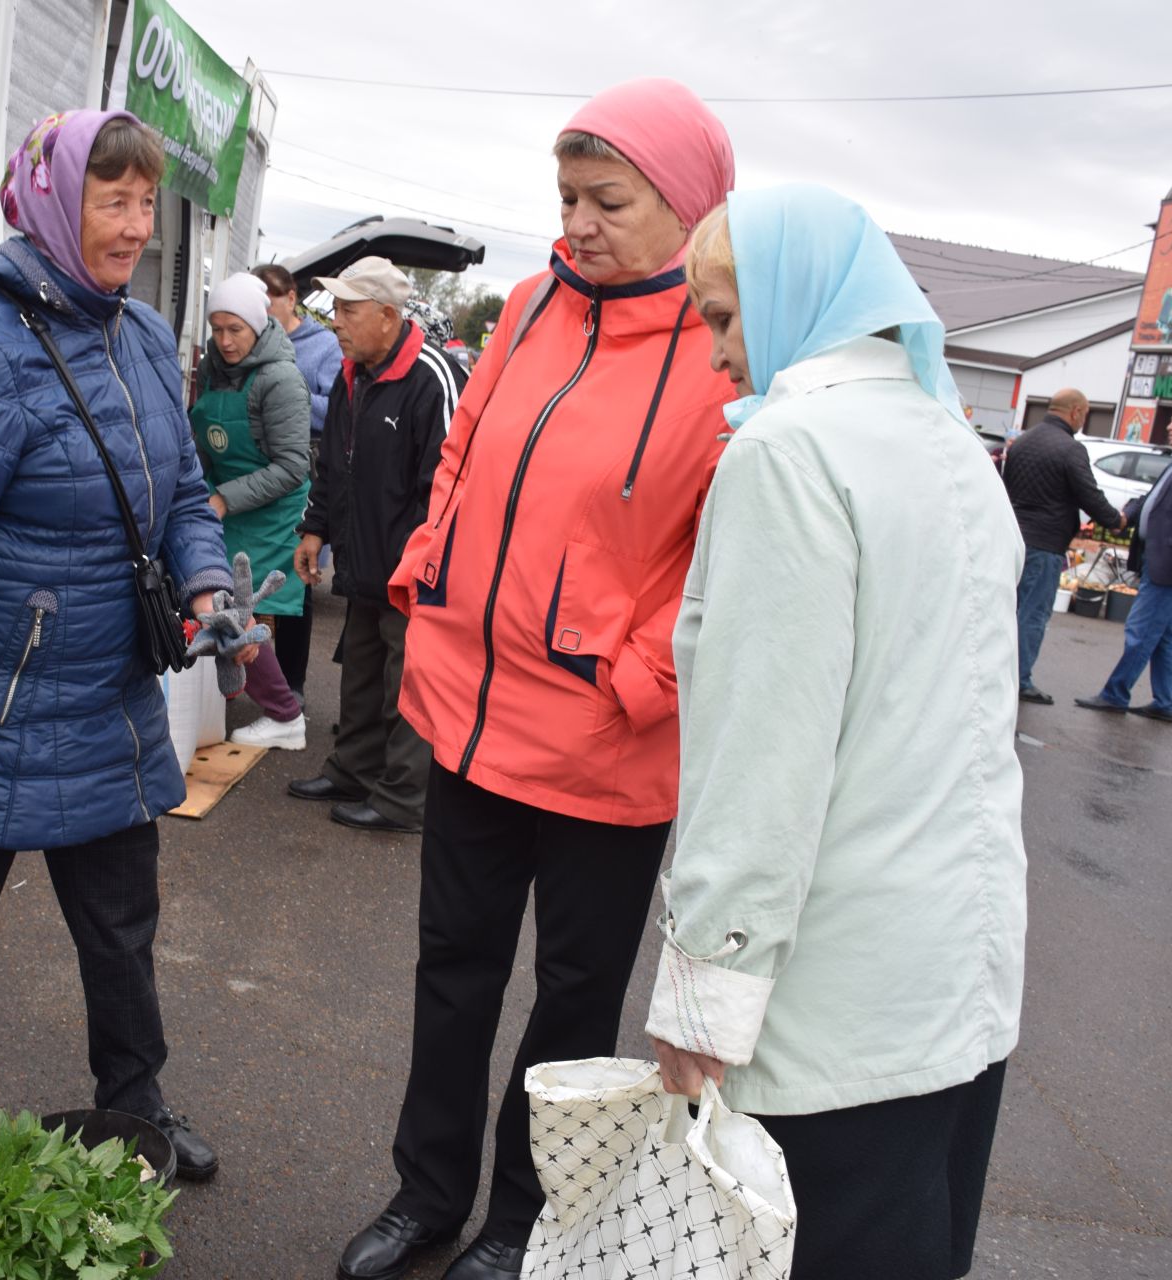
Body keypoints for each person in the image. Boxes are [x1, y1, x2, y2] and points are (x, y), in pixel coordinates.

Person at [338, 80, 737, 1280]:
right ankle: (424, 1193)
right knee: (451, 973)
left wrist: (634, 671)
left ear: (690, 205)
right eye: (567, 196)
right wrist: (428, 561)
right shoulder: (526, 308)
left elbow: (725, 559)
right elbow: (461, 453)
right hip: (472, 713)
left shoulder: (724, 350)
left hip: (608, 744)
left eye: (608, 199)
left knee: (571, 1011)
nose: (581, 220)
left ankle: (527, 1218)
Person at [648, 183, 1026, 1280]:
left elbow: (763, 756)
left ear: (793, 296)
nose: (716, 355)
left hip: (830, 1005)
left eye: (724, 315)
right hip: (963, 983)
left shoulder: (791, 453)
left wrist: (702, 994)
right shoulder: (953, 445)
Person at [0, 109, 240, 1177]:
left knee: (123, 927)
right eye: (110, 200)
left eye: (143, 204)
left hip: (109, 698)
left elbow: (185, 498)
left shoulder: (139, 338)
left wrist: (208, 575)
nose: (135, 228)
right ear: (49, 201)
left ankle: (137, 1098)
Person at [287, 258, 465, 835]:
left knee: (405, 682)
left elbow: (450, 483)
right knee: (360, 673)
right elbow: (333, 467)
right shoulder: (351, 374)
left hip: (413, 569)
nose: (335, 322)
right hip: (366, 559)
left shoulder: (430, 377)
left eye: (347, 310)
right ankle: (354, 769)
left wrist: (419, 564)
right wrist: (316, 529)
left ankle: (405, 797)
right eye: (334, 309)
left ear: (388, 317)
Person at [190, 272, 310, 749]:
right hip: (223, 501)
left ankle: (285, 715)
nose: (225, 340)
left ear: (258, 325)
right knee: (209, 599)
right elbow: (201, 440)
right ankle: (222, 696)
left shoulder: (280, 377)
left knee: (239, 608)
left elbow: (292, 467)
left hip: (269, 510)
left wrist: (223, 498)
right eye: (217, 329)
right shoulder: (213, 364)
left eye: (235, 329)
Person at [1074, 403, 1172, 724]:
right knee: (1167, 637)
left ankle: (1116, 693)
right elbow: (1152, 500)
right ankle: (1167, 702)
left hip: (1171, 566)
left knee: (1141, 631)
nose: (1169, 426)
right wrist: (1127, 515)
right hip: (1160, 559)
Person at [999, 388, 1125, 704]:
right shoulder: (1070, 449)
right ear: (1075, 412)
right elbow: (1089, 494)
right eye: (1085, 414)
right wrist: (1116, 520)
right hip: (1046, 543)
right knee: (1033, 614)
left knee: (1007, 611)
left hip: (1014, 538)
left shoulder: (1022, 442)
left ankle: (998, 674)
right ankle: (1021, 679)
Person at [253, 262, 343, 699]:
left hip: (298, 471)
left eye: (270, 297)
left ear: (291, 298)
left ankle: (294, 686)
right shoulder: (248, 338)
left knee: (293, 581)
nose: (264, 307)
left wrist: (290, 400)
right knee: (242, 577)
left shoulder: (324, 346)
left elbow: (338, 408)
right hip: (251, 471)